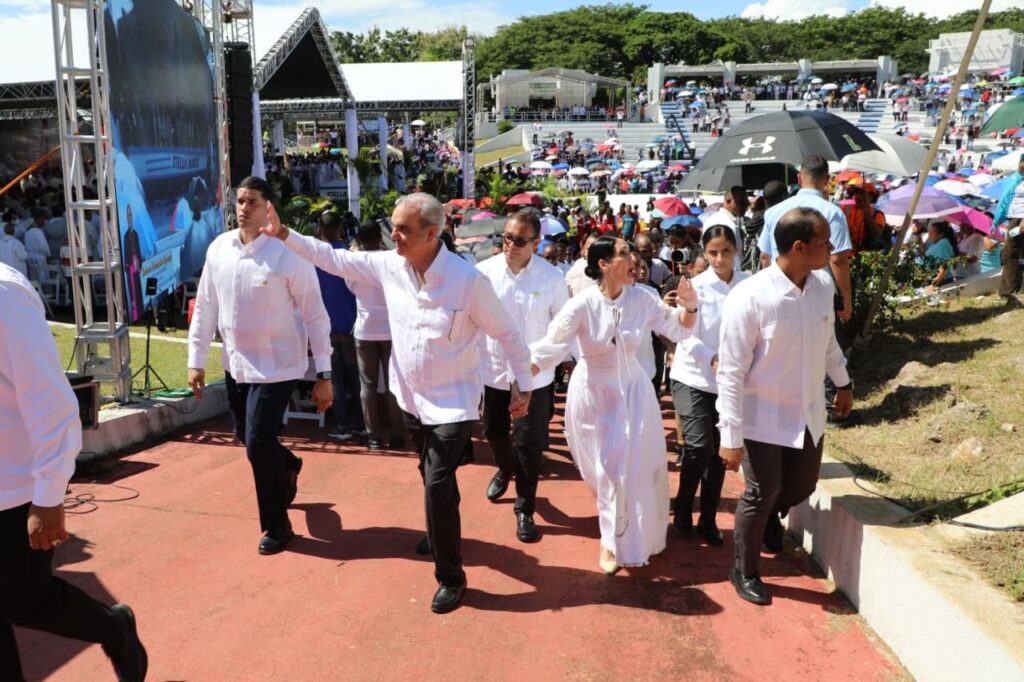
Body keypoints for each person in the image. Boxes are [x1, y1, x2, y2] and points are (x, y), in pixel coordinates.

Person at [262, 192, 532, 615]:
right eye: (393, 227)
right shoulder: (391, 265)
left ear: (432, 232)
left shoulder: (469, 282)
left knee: (439, 481)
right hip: (410, 398)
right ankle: (439, 529)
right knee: (430, 476)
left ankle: (451, 577)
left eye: (403, 229)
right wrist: (283, 234)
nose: (395, 236)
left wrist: (524, 385)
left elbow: (509, 335)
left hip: (454, 402)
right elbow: (335, 260)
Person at [0, 262, 147, 681]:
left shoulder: (4, 297)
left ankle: (115, 628)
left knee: (27, 602)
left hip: (14, 488)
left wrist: (48, 495)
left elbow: (52, 402)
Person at [529, 236, 698, 574]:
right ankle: (613, 524)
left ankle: (612, 539)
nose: (633, 258)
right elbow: (552, 347)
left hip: (633, 394)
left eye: (631, 252)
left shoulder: (644, 299)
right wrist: (521, 378)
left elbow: (678, 330)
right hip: (591, 394)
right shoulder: (581, 305)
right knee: (600, 470)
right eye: (623, 253)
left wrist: (690, 307)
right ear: (604, 264)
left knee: (624, 469)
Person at [187, 176, 333, 556]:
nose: (243, 208)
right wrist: (196, 360)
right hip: (235, 364)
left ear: (269, 207)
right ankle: (287, 464)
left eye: (252, 201)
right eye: (239, 201)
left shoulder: (289, 254)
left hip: (279, 366)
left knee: (258, 441)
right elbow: (205, 307)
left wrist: (324, 374)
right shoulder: (220, 248)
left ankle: (278, 524)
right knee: (247, 437)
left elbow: (316, 316)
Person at [717, 208, 853, 606]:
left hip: (808, 412)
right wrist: (730, 435)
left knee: (801, 486)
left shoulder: (823, 285)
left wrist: (843, 383)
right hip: (761, 417)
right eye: (825, 243)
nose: (831, 249)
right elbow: (730, 371)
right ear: (798, 247)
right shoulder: (751, 296)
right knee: (761, 491)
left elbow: (828, 343)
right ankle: (745, 568)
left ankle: (765, 522)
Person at [477, 210, 569, 542]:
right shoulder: (483, 274)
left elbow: (562, 332)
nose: (510, 245)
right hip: (492, 373)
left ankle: (525, 509)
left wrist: (530, 370)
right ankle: (505, 468)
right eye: (505, 238)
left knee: (529, 445)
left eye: (518, 240)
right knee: (493, 432)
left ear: (536, 242)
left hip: (536, 379)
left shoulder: (552, 278)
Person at [669, 225, 749, 546]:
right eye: (712, 252)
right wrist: (713, 359)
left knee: (719, 452)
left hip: (730, 384)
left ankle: (709, 517)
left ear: (736, 251)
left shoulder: (749, 286)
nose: (719, 258)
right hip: (693, 377)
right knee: (700, 445)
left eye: (726, 251)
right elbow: (684, 335)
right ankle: (684, 505)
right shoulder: (695, 287)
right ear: (704, 253)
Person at [759, 156, 854, 324]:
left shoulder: (774, 211)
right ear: (827, 180)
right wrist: (846, 298)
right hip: (819, 292)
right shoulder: (833, 212)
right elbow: (837, 259)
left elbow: (765, 257)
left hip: (778, 291)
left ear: (799, 178)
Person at [349, 220, 405, 450]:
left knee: (368, 386)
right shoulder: (392, 259)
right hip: (390, 329)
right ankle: (398, 434)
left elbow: (351, 287)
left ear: (359, 239)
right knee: (393, 384)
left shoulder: (355, 262)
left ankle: (373, 436)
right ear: (380, 236)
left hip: (365, 329)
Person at [315, 211, 366, 442]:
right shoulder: (349, 257)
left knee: (335, 379)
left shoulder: (317, 259)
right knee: (355, 378)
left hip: (327, 328)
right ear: (341, 229)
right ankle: (360, 423)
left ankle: (343, 425)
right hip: (350, 325)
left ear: (321, 231)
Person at [993, 157, 1024, 305]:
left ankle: (1009, 291)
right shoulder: (1018, 179)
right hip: (1015, 218)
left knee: (1010, 254)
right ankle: (1013, 288)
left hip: (1020, 219)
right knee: (1013, 254)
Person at [702, 186, 749, 272]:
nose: (746, 205)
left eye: (746, 202)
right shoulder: (728, 224)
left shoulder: (711, 219)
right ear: (728, 201)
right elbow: (736, 260)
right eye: (742, 202)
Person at [918, 221, 958, 290]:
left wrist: (933, 285)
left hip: (940, 283)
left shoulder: (942, 244)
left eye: (931, 232)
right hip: (934, 281)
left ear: (940, 234)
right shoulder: (936, 243)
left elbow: (944, 265)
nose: (929, 234)